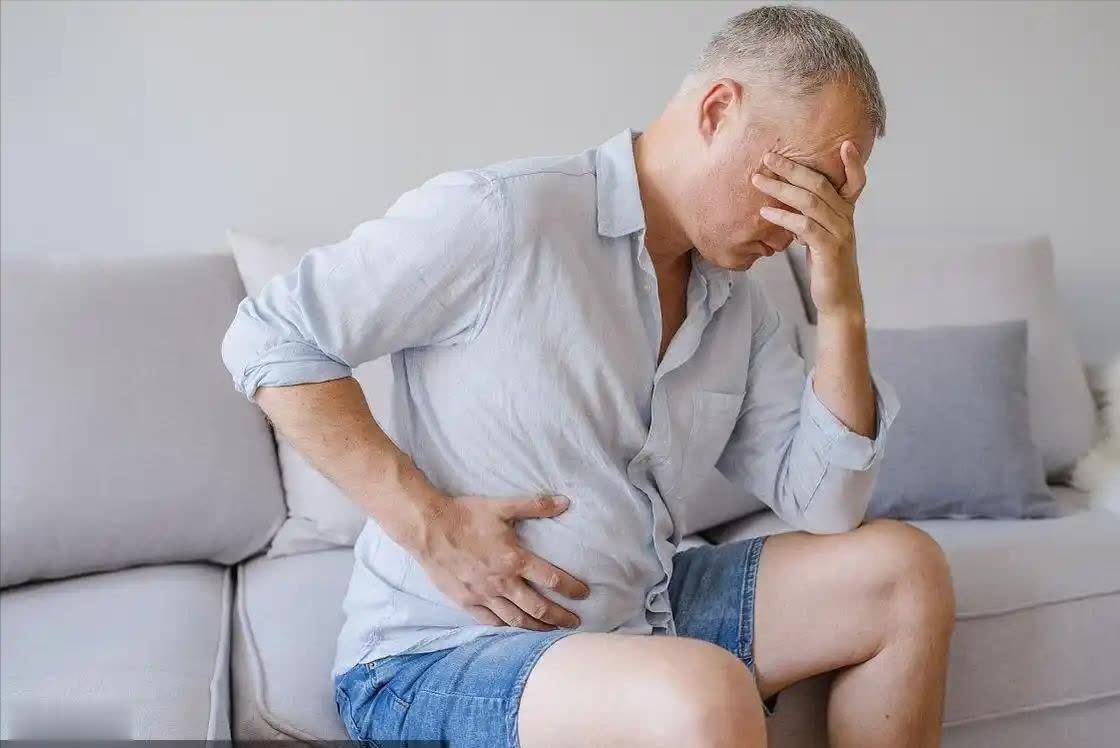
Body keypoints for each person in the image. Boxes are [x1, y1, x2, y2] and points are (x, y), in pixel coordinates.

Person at [221, 5, 954, 746]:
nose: (808, 224)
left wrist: (840, 302)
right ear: (717, 111)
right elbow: (272, 335)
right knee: (702, 691)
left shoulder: (739, 306)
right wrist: (427, 522)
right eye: (804, 184)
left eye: (833, 201)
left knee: (905, 572)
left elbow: (828, 503)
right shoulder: (504, 216)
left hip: (640, 613)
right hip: (444, 653)